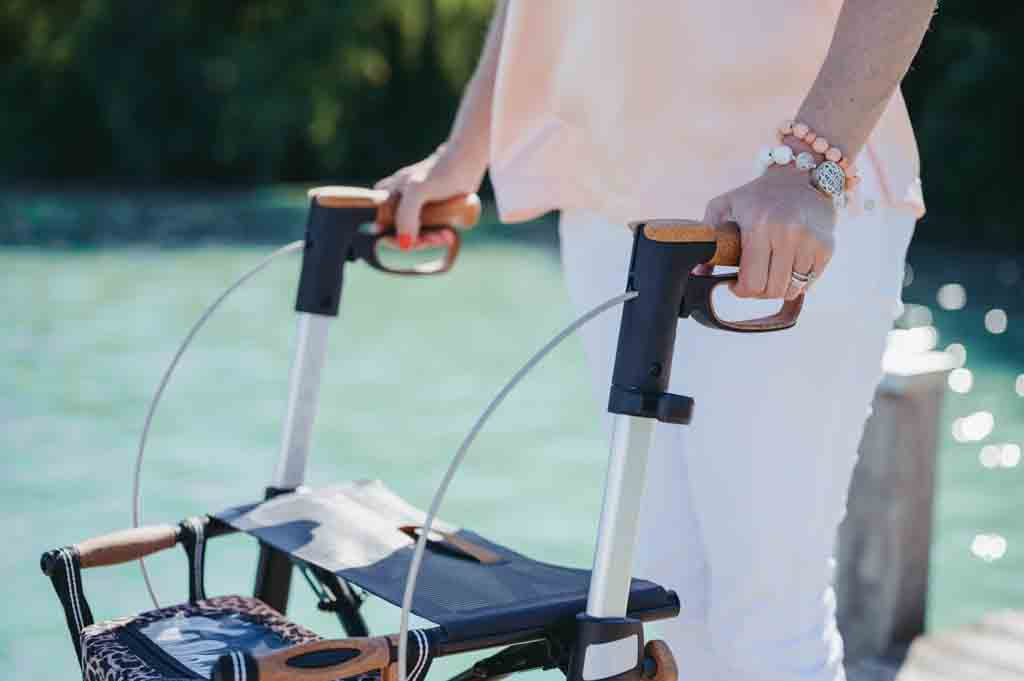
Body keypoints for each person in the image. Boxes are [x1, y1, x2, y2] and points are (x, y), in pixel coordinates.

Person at [377, 2, 936, 679]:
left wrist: (806, 164)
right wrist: (460, 156)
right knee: (661, 601)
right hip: (608, 200)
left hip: (780, 202)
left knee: (767, 619)